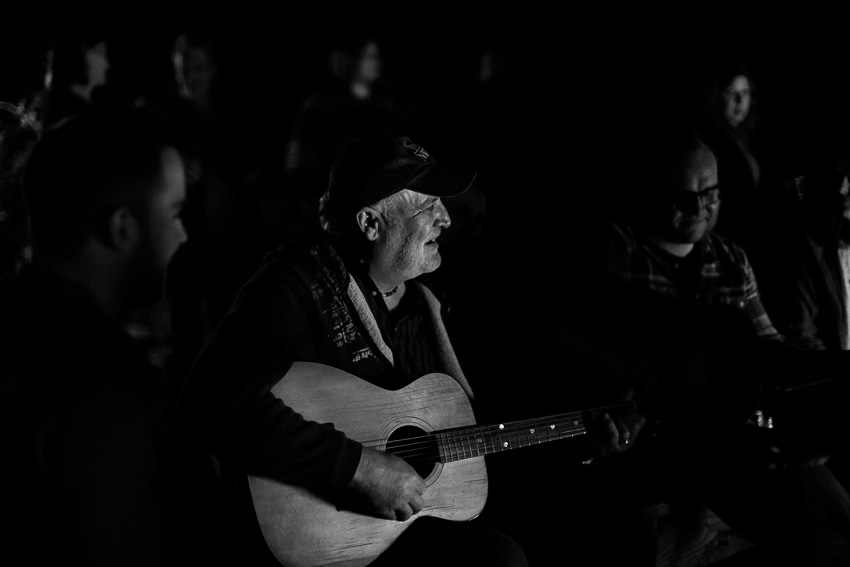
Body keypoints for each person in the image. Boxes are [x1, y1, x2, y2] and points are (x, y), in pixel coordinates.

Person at [176, 131, 643, 566]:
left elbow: (476, 433)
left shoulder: (432, 302)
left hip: (415, 525)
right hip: (336, 537)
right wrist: (358, 468)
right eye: (428, 206)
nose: (447, 218)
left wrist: (573, 439)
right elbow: (209, 399)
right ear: (370, 223)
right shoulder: (295, 288)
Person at [560, 127, 850, 566]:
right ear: (648, 193)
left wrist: (835, 365)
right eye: (682, 196)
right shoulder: (616, 253)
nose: (698, 209)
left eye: (710, 195)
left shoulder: (731, 260)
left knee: (832, 514)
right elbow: (563, 336)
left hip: (727, 434)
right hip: (647, 443)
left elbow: (768, 348)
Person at [0, 109, 235, 566]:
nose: (183, 235)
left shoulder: (16, 318)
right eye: (174, 213)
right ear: (122, 228)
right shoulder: (96, 381)